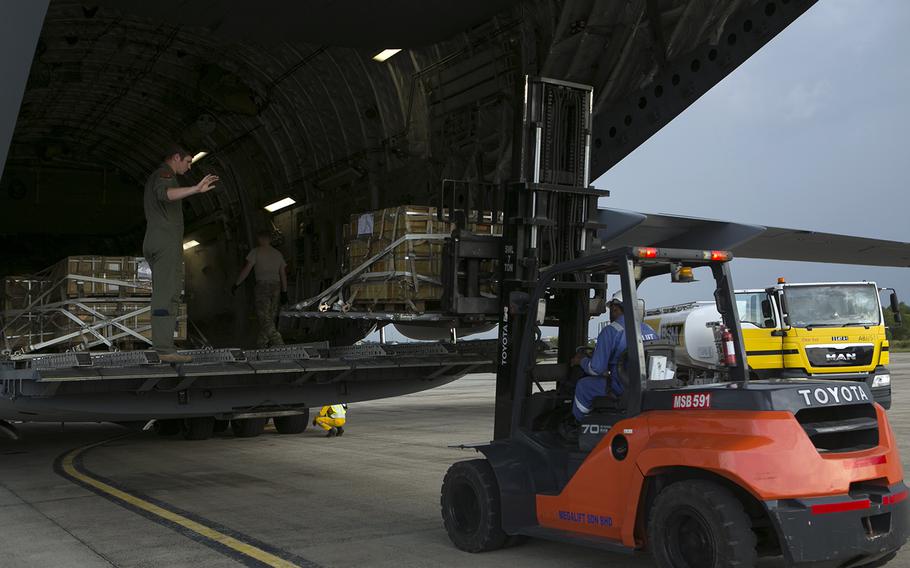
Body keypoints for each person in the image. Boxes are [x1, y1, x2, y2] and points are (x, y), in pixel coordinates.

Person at [143, 145, 218, 364]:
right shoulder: (164, 175)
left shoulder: (161, 176)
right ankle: (164, 349)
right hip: (165, 242)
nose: (188, 166)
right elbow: (165, 195)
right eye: (187, 162)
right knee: (167, 294)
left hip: (160, 240)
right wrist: (195, 189)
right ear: (176, 157)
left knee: (169, 291)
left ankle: (164, 345)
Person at [570, 291, 659, 421]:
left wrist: (581, 361)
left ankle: (581, 425)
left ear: (615, 308)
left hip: (621, 386)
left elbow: (596, 369)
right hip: (647, 385)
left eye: (611, 309)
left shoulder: (611, 331)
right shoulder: (649, 329)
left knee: (583, 385)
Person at [232, 230, 289, 348]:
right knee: (270, 317)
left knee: (264, 318)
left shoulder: (256, 252)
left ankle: (279, 342)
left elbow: (246, 270)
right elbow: (283, 274)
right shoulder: (278, 254)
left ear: (261, 239)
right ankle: (261, 343)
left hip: (263, 287)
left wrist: (236, 284)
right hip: (276, 287)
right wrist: (284, 292)